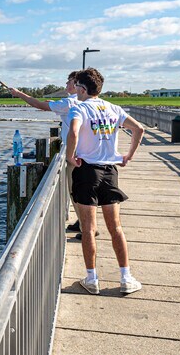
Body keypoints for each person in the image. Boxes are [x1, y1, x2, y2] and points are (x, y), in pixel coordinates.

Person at [65, 68, 145, 295]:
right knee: (116, 228)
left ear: (81, 88)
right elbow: (139, 129)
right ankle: (126, 278)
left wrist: (71, 156)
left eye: (76, 86)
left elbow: (73, 132)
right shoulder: (113, 108)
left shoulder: (79, 108)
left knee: (89, 230)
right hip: (110, 171)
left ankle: (91, 279)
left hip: (86, 171)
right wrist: (128, 156)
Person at [9, 71, 94, 239]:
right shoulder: (80, 101)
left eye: (69, 82)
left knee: (75, 191)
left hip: (75, 154)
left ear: (77, 84)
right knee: (82, 190)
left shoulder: (68, 102)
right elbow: (51, 104)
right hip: (86, 152)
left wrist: (19, 94)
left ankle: (87, 229)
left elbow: (39, 105)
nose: (67, 85)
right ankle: (82, 222)